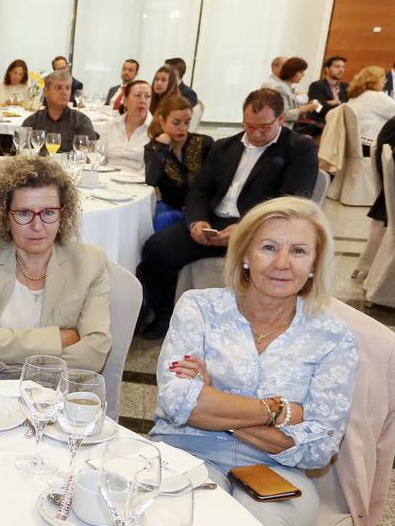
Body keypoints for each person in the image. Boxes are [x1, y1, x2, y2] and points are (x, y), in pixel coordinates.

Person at [152, 197, 356, 526]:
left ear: (314, 264)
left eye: (298, 251)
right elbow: (178, 403)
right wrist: (279, 411)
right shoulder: (199, 307)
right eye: (268, 247)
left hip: (277, 472)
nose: (281, 263)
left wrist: (214, 401)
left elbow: (319, 446)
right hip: (185, 450)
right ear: (245, 255)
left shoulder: (334, 338)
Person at [137, 88, 319, 339]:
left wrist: (246, 228)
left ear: (280, 119)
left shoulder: (298, 149)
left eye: (264, 127)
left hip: (260, 229)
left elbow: (290, 202)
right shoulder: (225, 146)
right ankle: (165, 314)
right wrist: (196, 222)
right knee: (156, 250)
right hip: (213, 221)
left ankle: (244, 328)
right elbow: (199, 190)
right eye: (249, 125)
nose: (254, 133)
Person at [0, 154, 112, 372]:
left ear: (62, 215)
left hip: (57, 392)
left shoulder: (90, 263)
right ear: (6, 217)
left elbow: (93, 356)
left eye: (48, 213)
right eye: (24, 213)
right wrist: (59, 339)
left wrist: (0, 346)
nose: (37, 226)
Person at [144, 93, 214, 232]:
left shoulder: (204, 143)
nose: (183, 128)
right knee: (151, 215)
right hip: (172, 205)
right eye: (176, 123)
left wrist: (195, 207)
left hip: (200, 208)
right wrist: (162, 147)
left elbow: (214, 181)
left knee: (161, 219)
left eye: (187, 122)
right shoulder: (154, 148)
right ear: (162, 122)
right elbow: (151, 179)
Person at [21, 70, 96, 153]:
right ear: (46, 92)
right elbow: (20, 153)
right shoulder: (32, 121)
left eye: (67, 88)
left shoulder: (81, 121)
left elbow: (89, 155)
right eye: (58, 88)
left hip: (70, 165)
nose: (64, 92)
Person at [98, 79, 152, 173]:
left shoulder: (156, 130)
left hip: (139, 181)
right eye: (138, 95)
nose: (143, 100)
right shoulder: (110, 126)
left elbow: (152, 168)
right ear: (125, 100)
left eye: (147, 96)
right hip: (107, 177)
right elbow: (98, 156)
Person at [346, 65, 395, 152]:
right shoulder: (377, 96)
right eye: (384, 80)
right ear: (377, 81)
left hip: (351, 144)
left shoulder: (354, 96)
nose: (384, 83)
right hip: (370, 147)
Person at [263, 57, 321, 127]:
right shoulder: (278, 87)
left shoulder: (286, 87)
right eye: (300, 72)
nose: (303, 75)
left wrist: (308, 106)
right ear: (291, 72)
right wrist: (308, 107)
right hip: (280, 129)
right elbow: (284, 114)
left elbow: (291, 107)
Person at [305, 55, 348, 129]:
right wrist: (340, 103)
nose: (341, 70)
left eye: (343, 67)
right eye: (337, 67)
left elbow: (348, 105)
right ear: (327, 69)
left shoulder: (346, 87)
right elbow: (318, 109)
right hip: (321, 125)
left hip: (340, 125)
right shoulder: (316, 85)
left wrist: (335, 102)